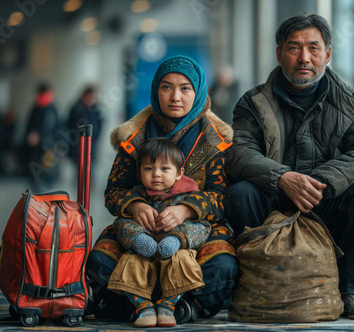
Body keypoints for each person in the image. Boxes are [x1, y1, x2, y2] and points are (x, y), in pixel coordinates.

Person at [225, 13, 354, 320]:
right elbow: (239, 155)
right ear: (279, 53)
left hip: (325, 200)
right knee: (241, 192)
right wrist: (282, 178)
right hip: (274, 205)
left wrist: (319, 181)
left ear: (327, 54)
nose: (304, 57)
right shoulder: (253, 103)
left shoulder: (350, 101)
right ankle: (257, 285)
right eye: (294, 48)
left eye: (314, 48)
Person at [86, 55, 237, 326]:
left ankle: (181, 306)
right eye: (166, 87)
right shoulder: (133, 138)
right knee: (98, 261)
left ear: (199, 92)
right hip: (139, 228)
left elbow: (221, 196)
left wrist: (186, 210)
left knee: (223, 268)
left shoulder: (215, 140)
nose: (175, 97)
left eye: (185, 89)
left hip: (197, 228)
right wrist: (135, 205)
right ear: (156, 90)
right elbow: (113, 191)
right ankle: (150, 304)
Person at [109, 137, 211, 327]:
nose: (156, 174)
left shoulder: (188, 197)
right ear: (139, 173)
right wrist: (137, 238)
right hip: (143, 249)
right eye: (148, 168)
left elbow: (202, 227)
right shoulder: (137, 196)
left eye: (164, 169)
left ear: (179, 173)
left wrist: (178, 239)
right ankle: (143, 307)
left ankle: (168, 306)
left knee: (182, 261)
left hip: (174, 248)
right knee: (131, 262)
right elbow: (121, 224)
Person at [23, 83, 60, 191]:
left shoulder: (50, 108)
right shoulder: (39, 108)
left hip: (47, 146)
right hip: (39, 147)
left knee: (46, 173)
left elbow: (53, 128)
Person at [67, 85, 103, 162]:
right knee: (78, 170)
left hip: (91, 146)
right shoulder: (76, 108)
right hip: (77, 146)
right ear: (85, 95)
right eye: (91, 97)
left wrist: (94, 140)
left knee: (90, 171)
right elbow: (69, 125)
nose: (92, 99)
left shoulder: (96, 109)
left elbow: (100, 125)